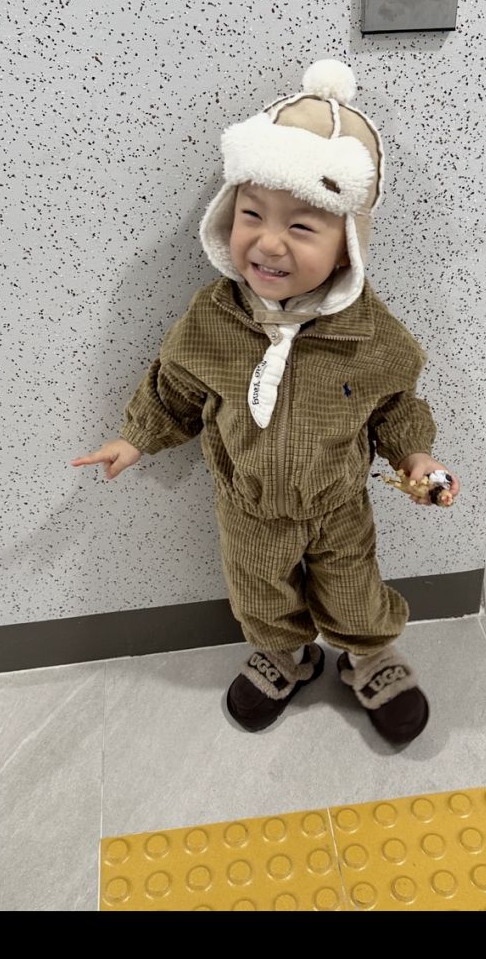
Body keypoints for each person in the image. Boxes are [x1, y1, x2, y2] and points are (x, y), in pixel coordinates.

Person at [72, 60, 459, 745]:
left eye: (302, 228)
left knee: (354, 588)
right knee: (259, 592)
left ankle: (368, 655)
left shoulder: (368, 332)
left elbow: (396, 404)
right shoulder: (215, 318)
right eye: (251, 215)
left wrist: (416, 457)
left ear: (347, 247)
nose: (269, 242)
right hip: (247, 503)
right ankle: (286, 653)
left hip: (338, 504)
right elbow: (176, 385)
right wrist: (135, 437)